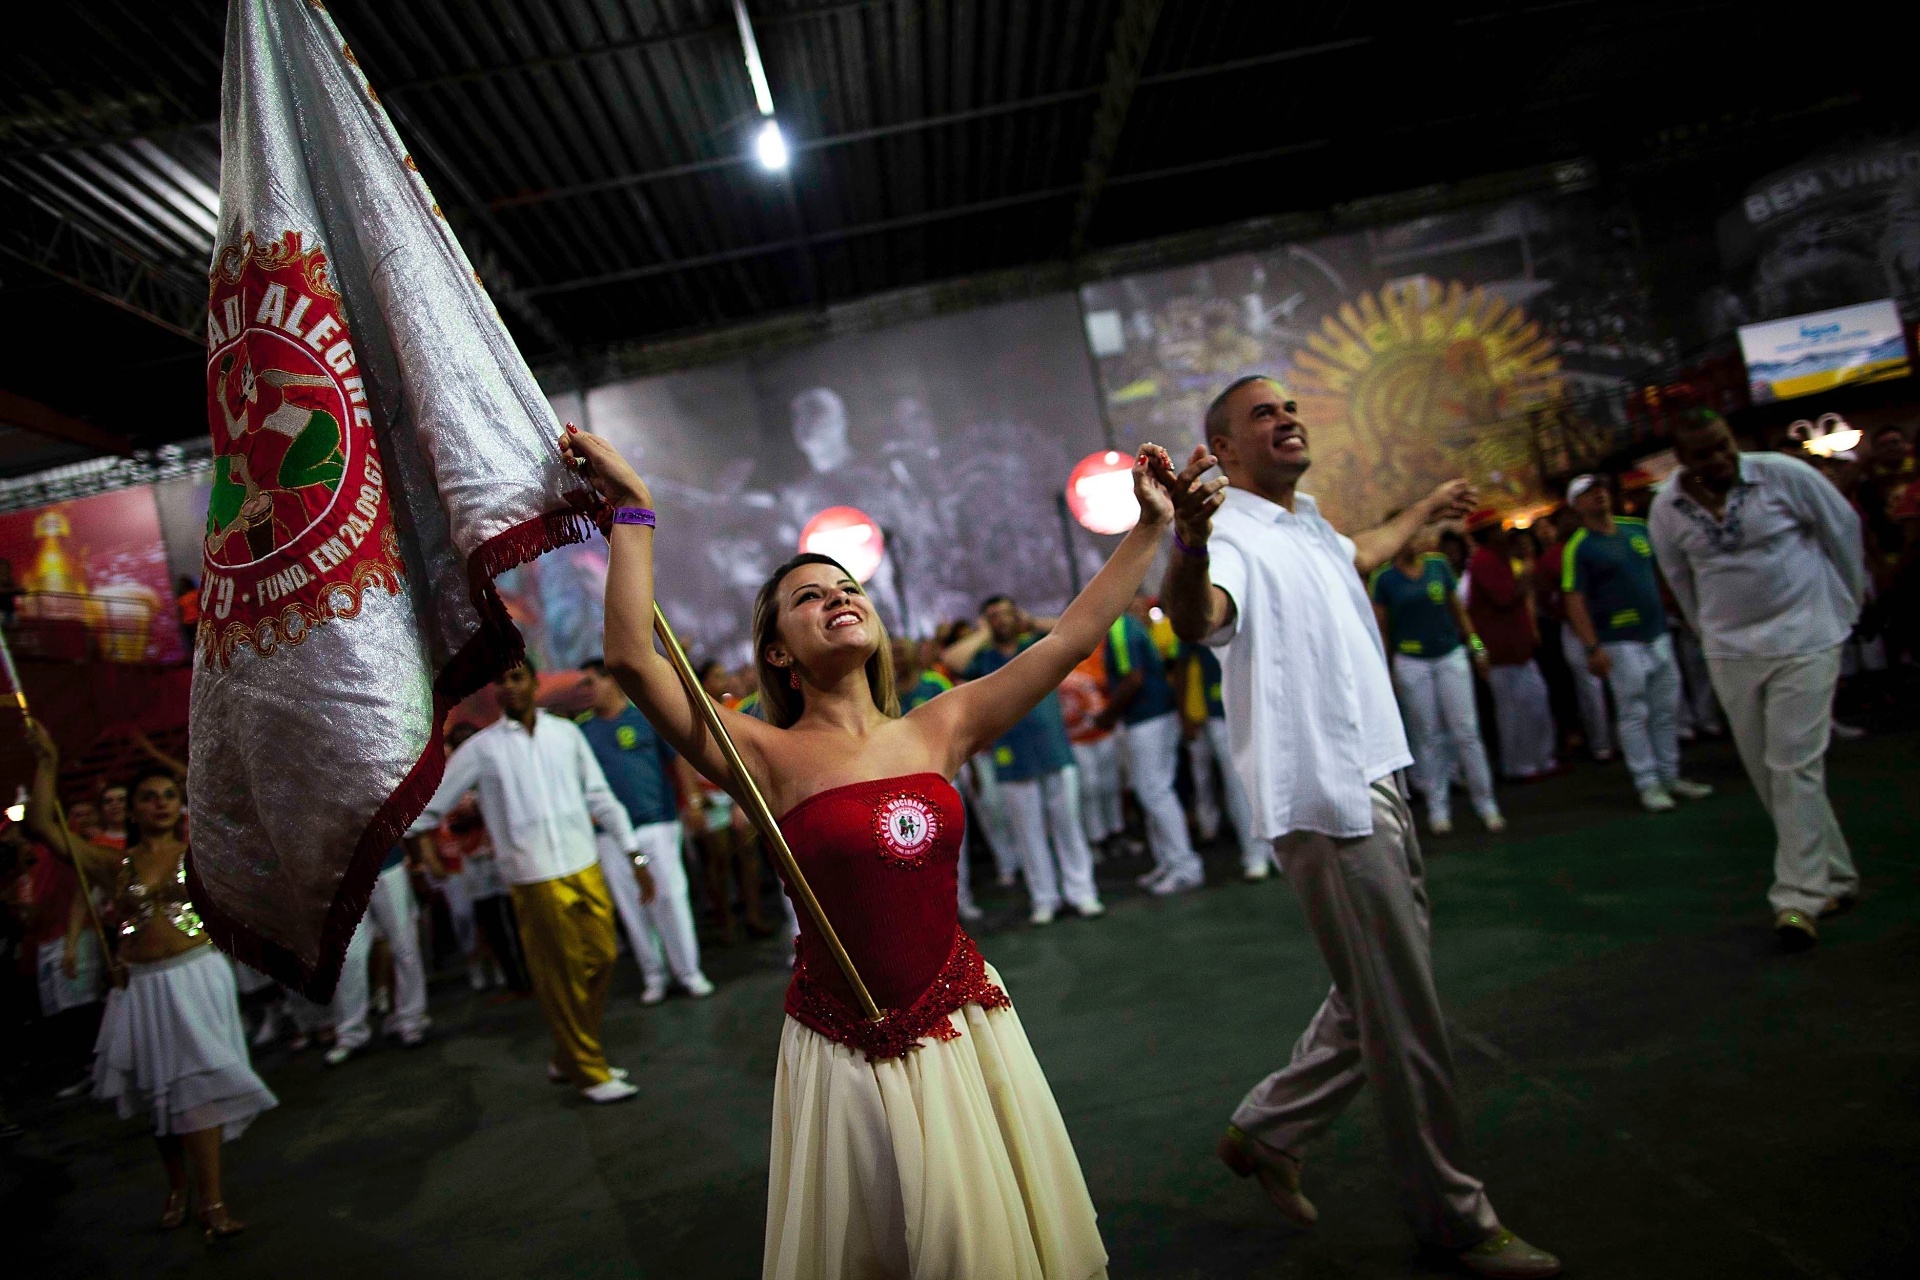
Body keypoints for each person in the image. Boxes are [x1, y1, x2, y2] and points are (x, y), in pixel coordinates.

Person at [563, 424, 1187, 1280]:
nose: (836, 597)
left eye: (847, 585)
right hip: (843, 1050)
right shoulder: (760, 754)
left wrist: (1150, 527)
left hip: (965, 1033)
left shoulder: (941, 724)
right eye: (809, 597)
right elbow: (633, 659)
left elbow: (1070, 638)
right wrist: (633, 505)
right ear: (777, 651)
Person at [1160, 375, 1559, 1279]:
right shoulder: (1227, 538)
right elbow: (1194, 618)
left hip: (1378, 772)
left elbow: (1363, 551)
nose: (1287, 418)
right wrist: (1186, 539)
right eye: (1263, 414)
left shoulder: (1309, 525)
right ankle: (1454, 1218)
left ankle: (1269, 1127)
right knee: (1405, 1009)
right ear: (1221, 451)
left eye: (1290, 407)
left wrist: (1418, 511)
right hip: (1328, 797)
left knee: (1379, 988)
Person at [23, 725, 275, 1241]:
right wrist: (46, 762)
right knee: (157, 1092)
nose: (160, 803)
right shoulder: (111, 862)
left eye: (168, 795)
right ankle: (177, 1187)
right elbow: (41, 827)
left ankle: (212, 1201)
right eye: (148, 797)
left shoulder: (202, 847)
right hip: (141, 986)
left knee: (196, 1086)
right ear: (132, 810)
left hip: (197, 977)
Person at [1649, 412, 1868, 951]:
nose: (1719, 460)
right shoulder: (1666, 509)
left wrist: (1847, 604)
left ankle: (1797, 898)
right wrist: (1710, 636)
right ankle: (1835, 876)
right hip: (1731, 651)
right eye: (1704, 455)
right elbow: (1678, 578)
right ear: (1683, 461)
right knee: (1770, 775)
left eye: (1724, 447)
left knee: (1793, 764)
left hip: (1805, 638)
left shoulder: (1782, 475)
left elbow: (1842, 531)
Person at [407, 659, 657, 1104]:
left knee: (601, 958)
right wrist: (384, 831)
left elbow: (599, 796)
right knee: (559, 976)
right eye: (499, 680)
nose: (507, 687)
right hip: (533, 876)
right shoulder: (482, 749)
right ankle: (588, 1071)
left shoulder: (567, 734)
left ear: (534, 682)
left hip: (583, 864)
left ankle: (569, 1053)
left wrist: (632, 852)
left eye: (516, 678)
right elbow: (433, 805)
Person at [944, 596, 1104, 925]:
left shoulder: (1037, 645)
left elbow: (1073, 629)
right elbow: (951, 658)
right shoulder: (984, 658)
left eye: (1006, 613)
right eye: (993, 616)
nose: (1002, 620)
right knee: (1028, 834)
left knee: (1068, 826)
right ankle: (1045, 898)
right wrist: (985, 632)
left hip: (1054, 749)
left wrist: (1029, 620)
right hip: (1011, 756)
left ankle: (1082, 892)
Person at [1562, 474, 1713, 811]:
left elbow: (1664, 573)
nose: (1599, 495)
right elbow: (1574, 599)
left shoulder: (1637, 529)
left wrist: (1685, 612)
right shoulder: (1580, 547)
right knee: (1633, 711)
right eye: (1589, 493)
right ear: (1576, 505)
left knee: (1665, 708)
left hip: (1656, 632)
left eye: (1601, 489)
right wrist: (1592, 647)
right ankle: (1647, 783)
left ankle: (1670, 775)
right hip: (1618, 641)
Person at [578, 658, 715, 1003]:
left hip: (659, 823)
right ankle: (654, 975)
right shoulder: (583, 732)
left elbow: (679, 759)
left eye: (592, 681)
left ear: (612, 681)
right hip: (610, 836)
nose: (587, 690)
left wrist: (693, 803)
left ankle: (689, 972)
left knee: (670, 899)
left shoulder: (644, 717)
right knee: (631, 907)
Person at [1370, 524, 1505, 833]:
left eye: (1417, 534)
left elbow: (1458, 611)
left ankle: (1487, 805)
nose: (1415, 540)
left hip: (1450, 655)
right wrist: (1386, 670)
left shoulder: (1438, 566)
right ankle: (1438, 808)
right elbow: (1382, 630)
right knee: (1427, 736)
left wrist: (1477, 647)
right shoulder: (1385, 580)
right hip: (1412, 662)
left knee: (1467, 732)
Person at [1102, 598, 1205, 894]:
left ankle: (1185, 866)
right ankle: (1169, 862)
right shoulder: (1127, 626)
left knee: (1156, 791)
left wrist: (1108, 715)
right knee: (1154, 790)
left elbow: (1134, 678)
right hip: (1156, 714)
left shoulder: (1120, 628)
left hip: (1148, 717)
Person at [893, 640, 981, 922]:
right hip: (901, 786)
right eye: (889, 654)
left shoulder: (933, 683)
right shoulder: (878, 692)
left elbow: (962, 727)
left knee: (954, 847)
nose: (896, 659)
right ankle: (929, 911)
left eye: (900, 652)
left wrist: (973, 769)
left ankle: (961, 901)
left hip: (942, 777)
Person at [1466, 518, 1559, 781]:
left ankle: (1542, 758)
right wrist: (1527, 573)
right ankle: (1519, 764)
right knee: (1513, 711)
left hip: (1518, 646)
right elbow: (1504, 598)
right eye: (1496, 529)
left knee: (1535, 703)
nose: (1503, 533)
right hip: (1500, 650)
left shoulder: (1499, 558)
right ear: (1487, 535)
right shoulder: (1484, 561)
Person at [325, 840, 432, 1066]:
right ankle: (350, 1033)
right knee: (348, 957)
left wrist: (418, 865)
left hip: (387, 865)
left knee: (405, 947)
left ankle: (411, 1020)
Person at [692, 660, 776, 940]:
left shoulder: (734, 708)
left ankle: (753, 915)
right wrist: (694, 799)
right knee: (719, 861)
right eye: (716, 676)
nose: (724, 681)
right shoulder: (691, 711)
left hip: (737, 792)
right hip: (709, 795)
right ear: (702, 681)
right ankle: (725, 919)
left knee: (748, 855)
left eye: (723, 674)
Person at [1176, 639, 1269, 878]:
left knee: (1266, 780)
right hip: (1221, 711)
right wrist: (1185, 713)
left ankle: (1276, 851)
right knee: (1239, 785)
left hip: (1259, 704)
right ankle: (1256, 853)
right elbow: (1183, 664)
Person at [1057, 651, 1126, 855]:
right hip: (1076, 738)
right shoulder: (1056, 662)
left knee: (1110, 784)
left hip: (1103, 732)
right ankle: (1097, 838)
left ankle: (1116, 831)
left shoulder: (1097, 655)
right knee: (1089, 788)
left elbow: (1109, 686)